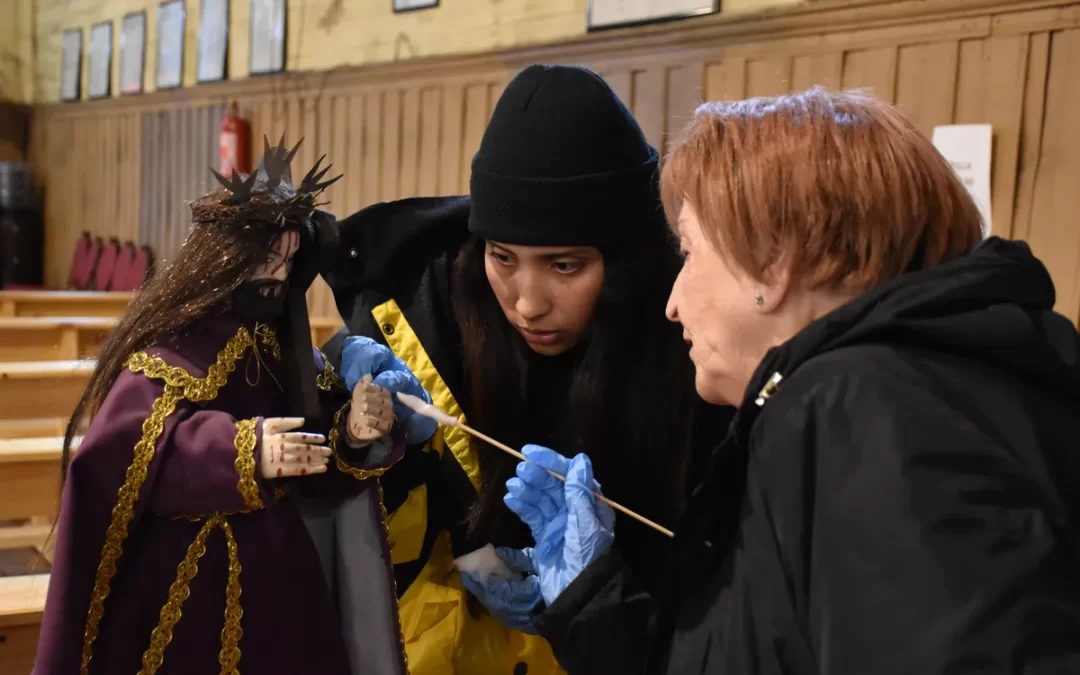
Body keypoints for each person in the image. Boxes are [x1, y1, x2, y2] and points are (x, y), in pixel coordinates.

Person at [493, 87, 1080, 674]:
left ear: (772, 268)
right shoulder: (912, 390)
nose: (673, 303)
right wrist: (592, 597)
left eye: (690, 253)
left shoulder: (863, 408)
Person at [321, 64, 731, 674]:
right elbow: (342, 535)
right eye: (502, 257)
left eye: (564, 266)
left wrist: (596, 590)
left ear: (626, 264)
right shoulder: (421, 319)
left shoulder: (697, 353)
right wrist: (361, 443)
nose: (527, 301)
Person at [35, 139, 427, 675]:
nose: (279, 275)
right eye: (268, 259)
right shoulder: (171, 349)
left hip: (282, 582)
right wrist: (244, 450)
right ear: (226, 259)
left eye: (290, 261)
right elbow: (124, 458)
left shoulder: (281, 349)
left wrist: (353, 431)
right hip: (188, 580)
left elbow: (318, 465)